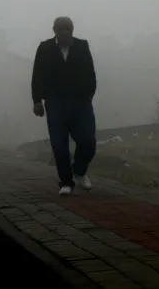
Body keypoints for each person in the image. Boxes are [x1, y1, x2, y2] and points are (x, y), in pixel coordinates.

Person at [31, 16, 98, 195]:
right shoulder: (45, 48)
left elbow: (90, 73)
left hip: (80, 103)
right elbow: (37, 76)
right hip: (56, 103)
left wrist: (89, 94)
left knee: (88, 141)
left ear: (72, 30)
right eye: (60, 28)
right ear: (54, 30)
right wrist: (37, 101)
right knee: (59, 145)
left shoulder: (82, 46)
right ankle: (66, 182)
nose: (64, 32)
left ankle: (80, 171)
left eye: (67, 28)